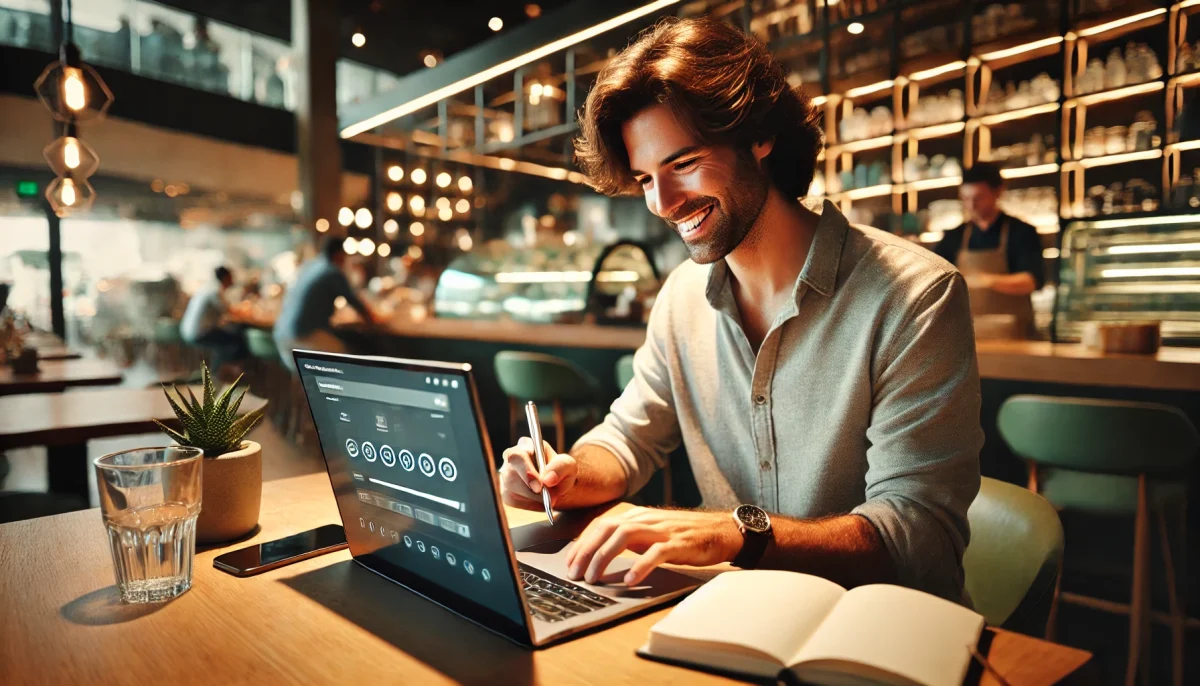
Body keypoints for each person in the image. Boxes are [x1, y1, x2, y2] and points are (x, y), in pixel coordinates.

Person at [498, 17, 982, 604]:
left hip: (880, 630)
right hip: (737, 614)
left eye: (682, 164)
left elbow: (918, 538)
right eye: (646, 178)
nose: (664, 204)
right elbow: (628, 442)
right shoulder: (680, 296)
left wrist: (736, 533)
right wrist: (566, 474)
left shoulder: (915, 295)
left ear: (758, 136)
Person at [934, 162, 1045, 338]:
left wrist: (985, 280)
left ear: (998, 191)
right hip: (966, 334)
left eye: (978, 198)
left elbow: (1030, 281)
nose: (971, 205)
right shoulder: (954, 236)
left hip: (1015, 333)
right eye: (966, 199)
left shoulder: (1022, 232)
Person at [273, 235, 380, 373]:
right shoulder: (332, 272)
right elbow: (355, 302)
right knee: (347, 360)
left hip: (281, 335)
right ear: (339, 254)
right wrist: (374, 320)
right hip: (301, 337)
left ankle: (307, 390)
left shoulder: (312, 265)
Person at [180, 266, 247, 374]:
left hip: (188, 330)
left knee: (229, 336)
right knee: (236, 340)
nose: (232, 281)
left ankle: (220, 373)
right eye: (230, 278)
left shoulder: (207, 287)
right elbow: (228, 311)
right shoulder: (215, 291)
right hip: (199, 332)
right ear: (225, 278)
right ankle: (223, 374)